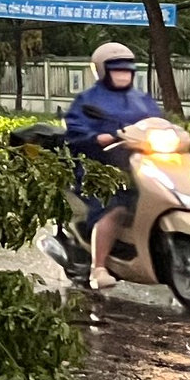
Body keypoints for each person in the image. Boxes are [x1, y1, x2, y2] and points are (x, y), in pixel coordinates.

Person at [62, 41, 163, 290]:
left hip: (140, 166)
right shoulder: (87, 101)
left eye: (126, 69)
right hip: (100, 170)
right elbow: (74, 132)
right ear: (102, 70)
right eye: (116, 69)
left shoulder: (141, 100)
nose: (122, 73)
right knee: (115, 209)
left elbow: (158, 123)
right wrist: (95, 138)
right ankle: (98, 268)